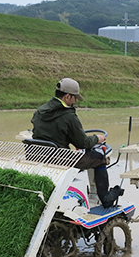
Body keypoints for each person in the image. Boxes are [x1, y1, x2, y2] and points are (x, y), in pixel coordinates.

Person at [31, 78, 123, 208]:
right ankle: (106, 199)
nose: (75, 102)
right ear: (68, 97)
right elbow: (83, 142)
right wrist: (97, 138)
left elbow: (51, 133)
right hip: (60, 159)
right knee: (99, 158)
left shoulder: (40, 111)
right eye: (75, 98)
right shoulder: (68, 116)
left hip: (39, 156)